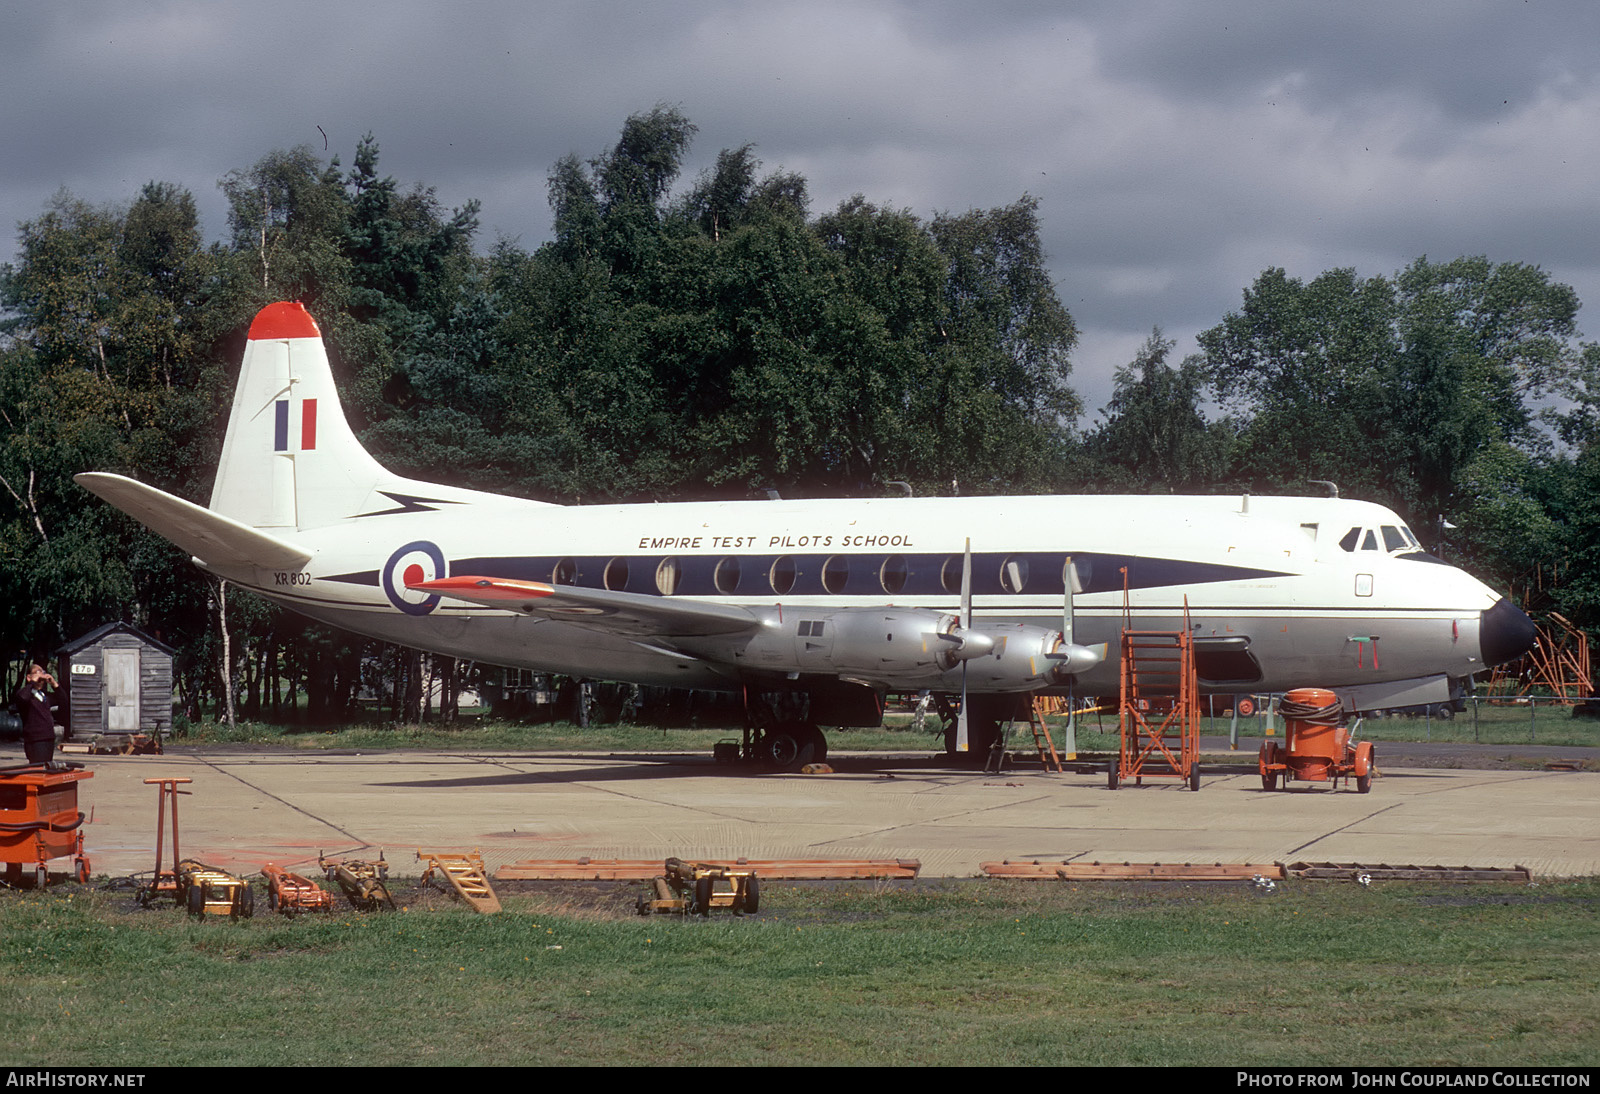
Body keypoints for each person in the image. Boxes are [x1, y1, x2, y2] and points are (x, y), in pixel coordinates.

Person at [14, 663, 61, 766]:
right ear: (29, 677)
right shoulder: (25, 695)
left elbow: (64, 701)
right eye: (37, 672)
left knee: (47, 768)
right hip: (35, 739)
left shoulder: (45, 696)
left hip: (48, 737)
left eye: (42, 672)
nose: (41, 675)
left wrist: (54, 684)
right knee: (37, 768)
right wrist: (32, 682)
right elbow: (22, 697)